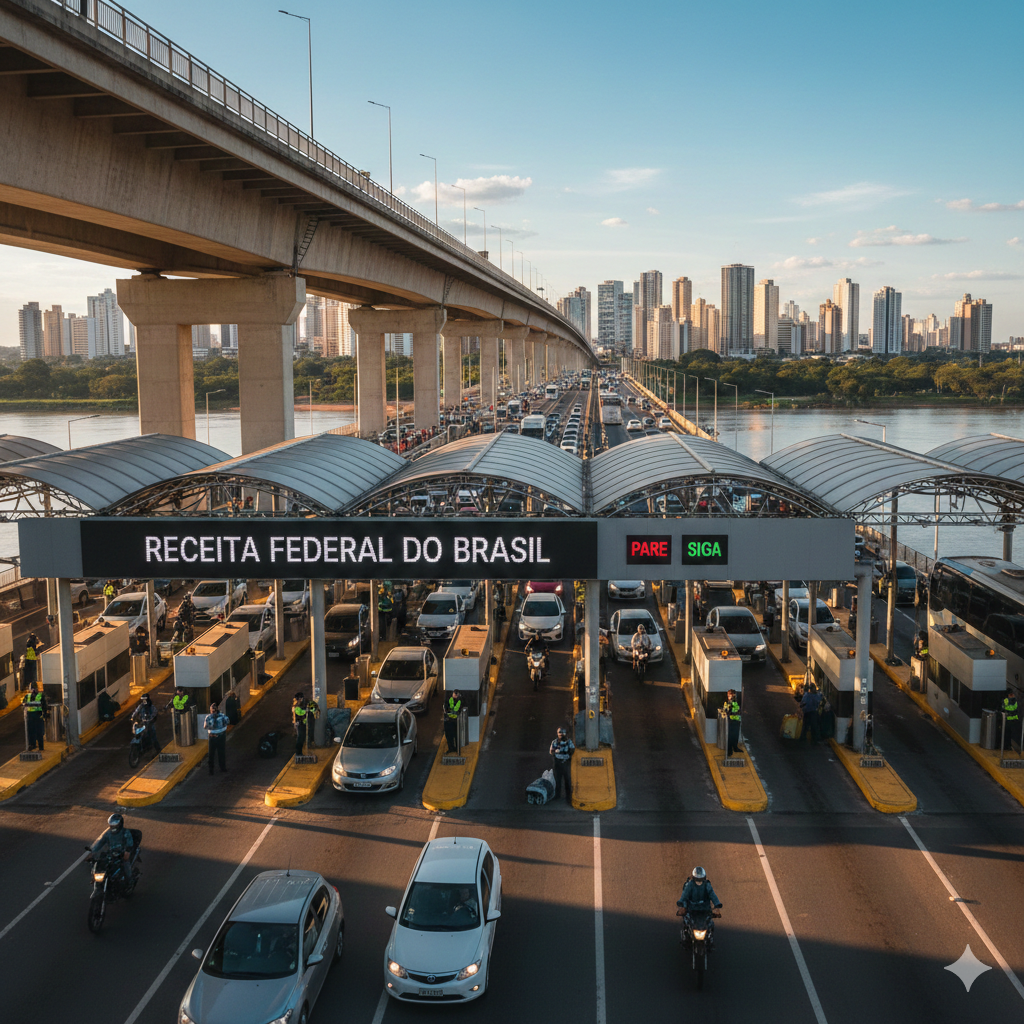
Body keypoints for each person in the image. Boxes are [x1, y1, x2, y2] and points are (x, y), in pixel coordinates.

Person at [676, 866, 722, 944]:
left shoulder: (707, 885)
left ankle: (710, 938)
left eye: (700, 879)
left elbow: (712, 894)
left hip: (705, 909)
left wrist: (717, 904)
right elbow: (685, 894)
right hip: (692, 909)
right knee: (686, 922)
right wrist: (681, 902)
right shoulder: (690, 885)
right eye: (697, 879)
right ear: (694, 878)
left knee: (710, 924)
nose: (699, 882)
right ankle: (685, 937)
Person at [549, 726, 575, 804]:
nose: (561, 734)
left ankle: (568, 796)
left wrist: (567, 755)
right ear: (557, 733)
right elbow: (551, 751)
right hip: (557, 763)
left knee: (567, 780)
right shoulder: (554, 742)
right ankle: (557, 795)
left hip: (566, 763)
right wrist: (556, 753)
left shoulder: (569, 742)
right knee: (557, 780)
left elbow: (572, 749)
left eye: (562, 732)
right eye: (559, 732)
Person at [205, 700, 229, 773]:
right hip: (217, 736)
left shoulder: (209, 717)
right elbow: (227, 722)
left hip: (216, 736)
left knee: (215, 753)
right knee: (217, 753)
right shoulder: (222, 716)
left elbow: (205, 726)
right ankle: (219, 768)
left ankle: (214, 769)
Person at [23, 679, 46, 751]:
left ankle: (40, 746)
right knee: (31, 732)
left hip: (37, 717)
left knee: (39, 732)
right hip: (31, 717)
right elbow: (24, 705)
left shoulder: (40, 696)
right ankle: (32, 745)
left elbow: (44, 706)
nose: (33, 690)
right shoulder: (27, 696)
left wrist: (44, 714)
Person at [444, 689, 462, 755]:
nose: (455, 695)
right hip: (449, 720)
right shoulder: (449, 699)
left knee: (456, 735)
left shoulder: (459, 701)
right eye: (454, 694)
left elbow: (458, 709)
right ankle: (451, 748)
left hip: (455, 721)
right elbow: (446, 708)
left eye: (456, 694)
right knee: (449, 736)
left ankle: (457, 749)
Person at [724, 688, 742, 757]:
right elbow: (727, 711)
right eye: (731, 696)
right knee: (730, 737)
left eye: (734, 696)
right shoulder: (727, 703)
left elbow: (739, 710)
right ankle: (729, 751)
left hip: (737, 721)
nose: (733, 697)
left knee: (735, 736)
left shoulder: (736, 702)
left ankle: (735, 747)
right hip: (730, 721)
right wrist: (731, 709)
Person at [292, 692, 309, 757]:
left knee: (302, 738)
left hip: (301, 724)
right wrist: (306, 710)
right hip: (299, 725)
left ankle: (300, 752)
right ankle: (298, 753)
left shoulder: (299, 705)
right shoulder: (296, 706)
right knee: (300, 739)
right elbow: (301, 713)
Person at [1002, 688, 1020, 752]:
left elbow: (1002, 708)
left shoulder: (1005, 700)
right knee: (1012, 735)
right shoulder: (1015, 700)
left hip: (1008, 720)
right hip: (1014, 720)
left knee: (1006, 734)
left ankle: (1006, 746)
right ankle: (1010, 746)